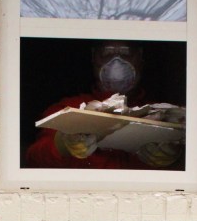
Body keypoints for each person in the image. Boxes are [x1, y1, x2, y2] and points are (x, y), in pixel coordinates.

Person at [25, 41, 183, 170]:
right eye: (107, 53)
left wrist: (174, 158)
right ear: (94, 58)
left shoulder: (164, 115)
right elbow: (34, 160)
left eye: (126, 53)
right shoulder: (68, 109)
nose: (116, 61)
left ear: (140, 58)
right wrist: (63, 143)